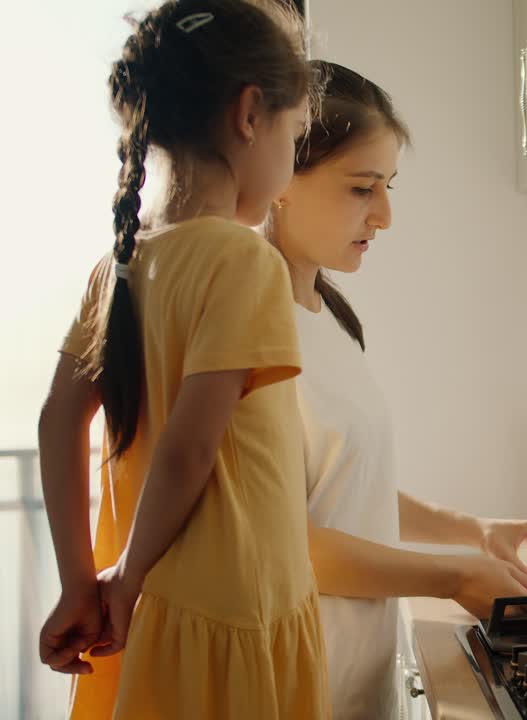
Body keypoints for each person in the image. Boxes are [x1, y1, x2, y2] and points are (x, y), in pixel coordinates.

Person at [36, 2, 329, 717]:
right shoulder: (243, 261)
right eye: (295, 135)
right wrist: (126, 579)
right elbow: (189, 447)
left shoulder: (121, 266)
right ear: (250, 113)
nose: (289, 170)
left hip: (153, 618)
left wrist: (84, 582)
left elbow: (56, 422)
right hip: (230, 613)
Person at [268, 61, 527, 718]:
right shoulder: (253, 330)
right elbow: (277, 539)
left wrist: (475, 531)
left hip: (356, 676)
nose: (383, 214)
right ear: (278, 178)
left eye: (387, 186)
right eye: (362, 187)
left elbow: (344, 488)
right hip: (295, 685)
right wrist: (454, 574)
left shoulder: (328, 316)